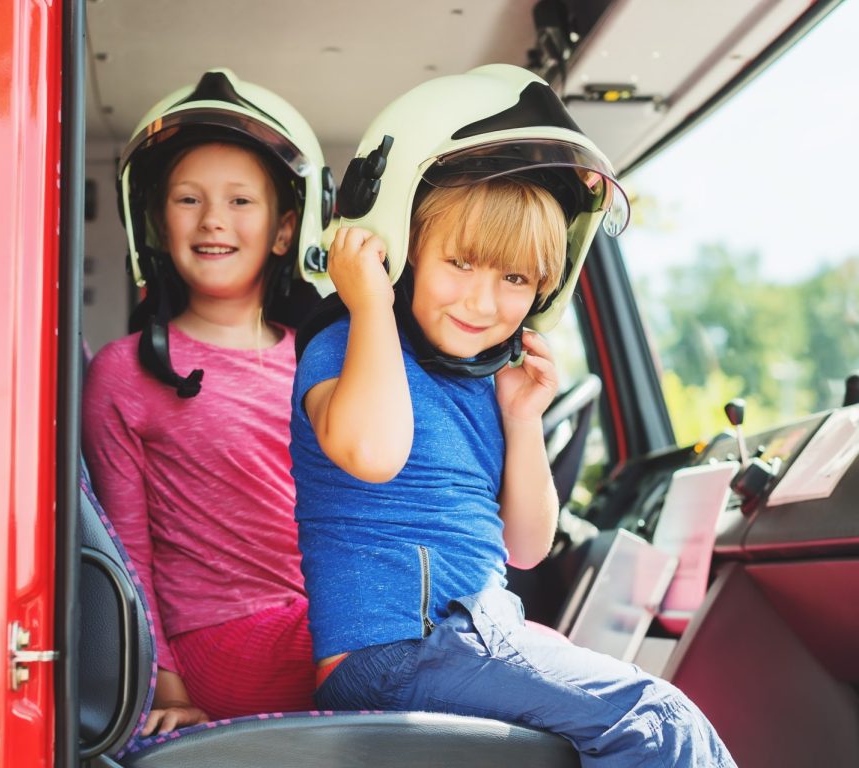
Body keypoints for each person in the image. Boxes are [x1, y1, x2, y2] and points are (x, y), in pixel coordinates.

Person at [290, 65, 736, 766]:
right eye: (462, 262)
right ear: (400, 247)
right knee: (656, 720)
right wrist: (370, 299)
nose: (484, 300)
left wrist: (524, 420)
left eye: (515, 278)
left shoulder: (485, 382)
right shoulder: (346, 346)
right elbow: (373, 451)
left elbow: (526, 546)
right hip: (392, 652)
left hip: (474, 632)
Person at [83, 69, 334, 735]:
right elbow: (123, 548)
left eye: (240, 201)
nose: (213, 219)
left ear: (285, 231)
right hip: (220, 645)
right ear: (159, 224)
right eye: (188, 199)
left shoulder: (322, 362)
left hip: (320, 625)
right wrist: (163, 686)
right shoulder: (126, 372)